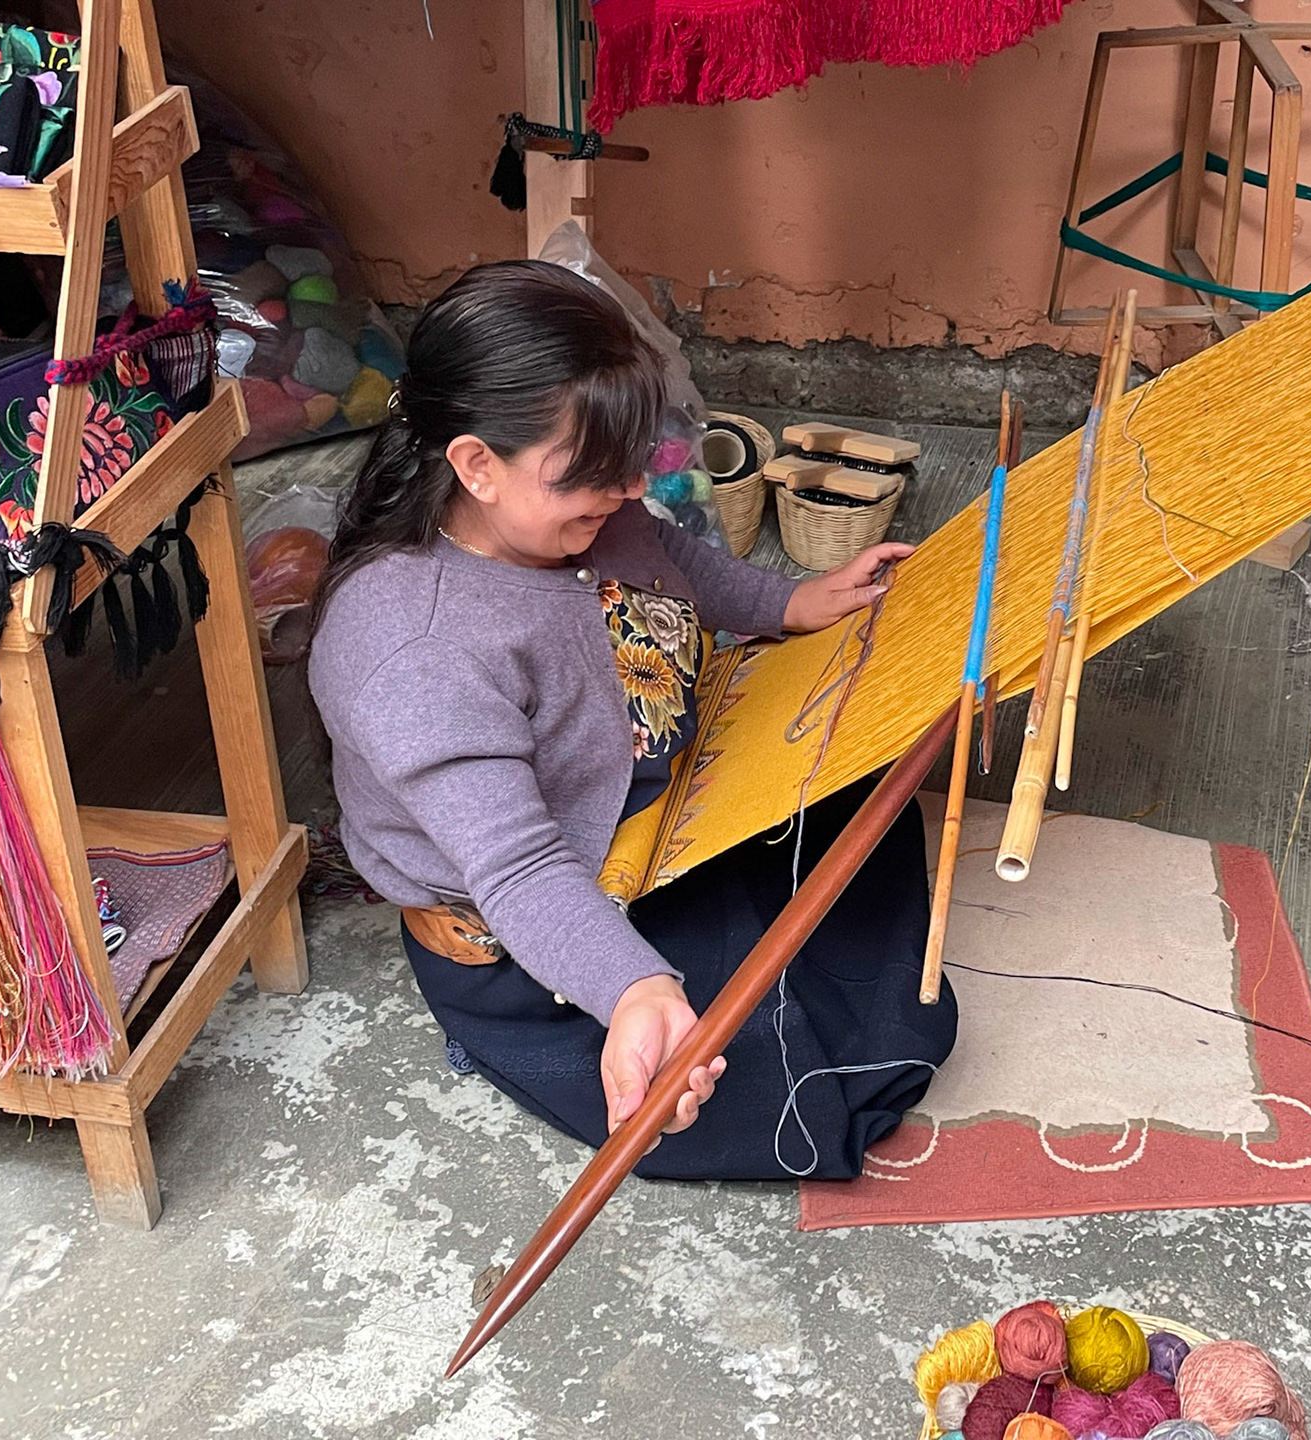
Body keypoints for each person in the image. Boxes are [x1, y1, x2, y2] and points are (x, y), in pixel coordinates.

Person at [308, 260, 956, 1179]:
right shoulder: (413, 647)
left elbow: (671, 557)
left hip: (658, 804)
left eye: (629, 464)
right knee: (777, 1085)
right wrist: (633, 987)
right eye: (592, 476)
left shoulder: (586, 511)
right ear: (476, 466)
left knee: (862, 784)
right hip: (541, 907)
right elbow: (520, 866)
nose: (623, 490)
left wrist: (790, 602)